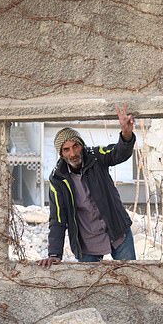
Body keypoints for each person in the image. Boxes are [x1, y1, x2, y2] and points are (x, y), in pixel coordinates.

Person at [37, 105, 137, 268]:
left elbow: (119, 152)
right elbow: (58, 219)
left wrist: (126, 134)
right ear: (61, 153)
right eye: (66, 149)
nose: (73, 153)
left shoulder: (96, 157)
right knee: (90, 289)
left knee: (131, 277)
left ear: (81, 146)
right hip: (87, 242)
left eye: (75, 146)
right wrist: (54, 254)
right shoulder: (57, 179)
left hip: (117, 231)